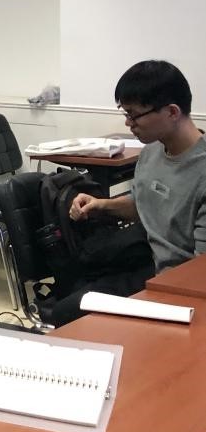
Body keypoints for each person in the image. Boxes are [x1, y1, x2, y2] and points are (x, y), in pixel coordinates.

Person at [61, 60, 204, 318]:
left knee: (72, 314)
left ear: (172, 112)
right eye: (125, 114)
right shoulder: (151, 151)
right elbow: (144, 204)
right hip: (147, 262)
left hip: (179, 285)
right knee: (69, 295)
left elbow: (200, 272)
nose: (129, 123)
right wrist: (100, 205)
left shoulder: (201, 171)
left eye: (134, 115)